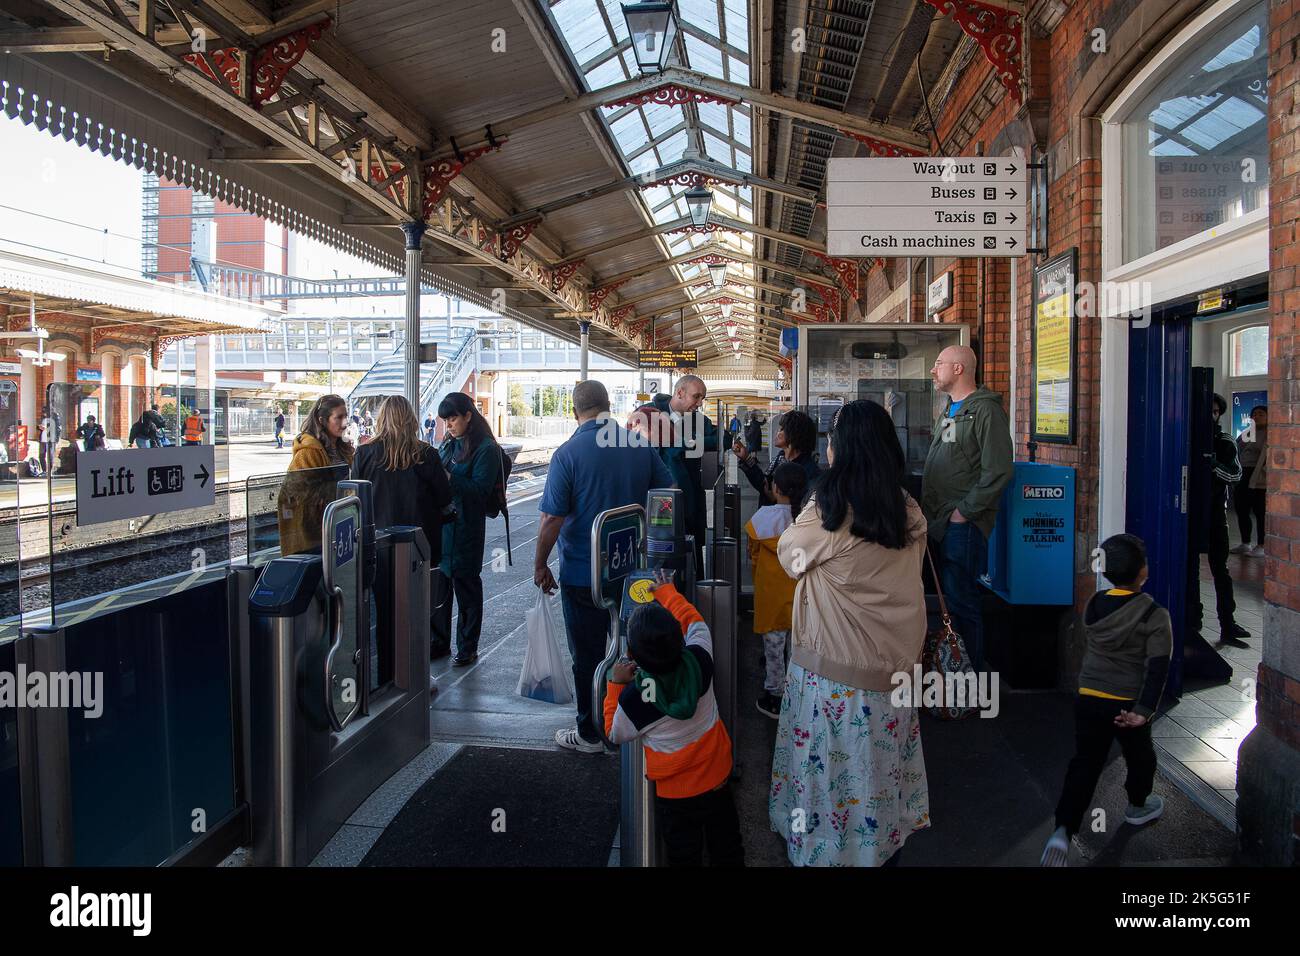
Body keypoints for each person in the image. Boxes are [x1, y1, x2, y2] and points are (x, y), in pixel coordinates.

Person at [770, 400, 929, 867]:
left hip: (833, 684)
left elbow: (789, 557)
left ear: (843, 447)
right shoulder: (906, 507)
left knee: (828, 795)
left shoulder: (831, 510)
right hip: (894, 679)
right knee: (878, 794)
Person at [536, 380, 672, 754]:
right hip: (633, 574)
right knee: (631, 648)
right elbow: (667, 494)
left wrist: (540, 564)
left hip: (584, 575)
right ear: (609, 405)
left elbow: (551, 519)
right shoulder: (638, 446)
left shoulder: (568, 453)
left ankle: (591, 732)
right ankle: (632, 722)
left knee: (587, 654)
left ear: (574, 411)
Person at [1041, 533, 1171, 867]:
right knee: (1141, 758)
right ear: (1142, 571)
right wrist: (1143, 712)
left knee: (1085, 763)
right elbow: (1157, 669)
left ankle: (1063, 830)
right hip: (1126, 704)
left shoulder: (1095, 605)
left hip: (1089, 698)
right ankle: (1138, 805)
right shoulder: (1154, 615)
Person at [604, 568, 744, 866]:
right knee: (727, 845)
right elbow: (695, 622)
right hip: (717, 777)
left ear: (634, 656)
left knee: (683, 855)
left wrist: (615, 685)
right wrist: (668, 593)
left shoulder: (637, 699)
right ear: (678, 640)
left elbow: (614, 733)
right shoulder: (699, 661)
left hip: (676, 795)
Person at [921, 345, 1014, 672]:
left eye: (939, 363)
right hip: (941, 523)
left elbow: (999, 470)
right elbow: (947, 455)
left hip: (962, 525)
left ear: (959, 369)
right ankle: (954, 672)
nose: (934, 371)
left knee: (962, 604)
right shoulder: (952, 409)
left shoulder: (985, 412)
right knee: (951, 601)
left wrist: (964, 512)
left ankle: (968, 679)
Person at [351, 395, 453, 649]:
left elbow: (352, 501)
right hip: (419, 545)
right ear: (410, 419)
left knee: (383, 611)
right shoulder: (426, 454)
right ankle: (416, 674)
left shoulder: (363, 454)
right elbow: (445, 499)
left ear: (381, 419)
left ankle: (387, 673)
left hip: (377, 547)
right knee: (418, 610)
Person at [434, 391, 500, 667]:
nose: (449, 424)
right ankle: (438, 644)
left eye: (453, 419)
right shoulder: (449, 444)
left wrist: (450, 479)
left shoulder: (486, 449)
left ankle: (467, 647)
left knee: (467, 590)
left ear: (468, 416)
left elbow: (481, 491)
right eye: (446, 420)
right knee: (440, 591)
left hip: (468, 530)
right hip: (444, 529)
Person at [746, 462, 808, 718]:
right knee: (796, 650)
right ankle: (798, 695)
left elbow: (754, 554)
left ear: (776, 488)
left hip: (771, 597)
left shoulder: (762, 519)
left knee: (773, 652)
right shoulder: (806, 519)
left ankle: (774, 696)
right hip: (798, 599)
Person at [1190, 393, 1249, 648]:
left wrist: (1212, 465)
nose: (1212, 416)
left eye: (1216, 412)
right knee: (1189, 569)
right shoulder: (1186, 436)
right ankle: (1193, 618)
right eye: (1209, 411)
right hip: (1191, 512)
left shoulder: (1224, 441)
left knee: (1220, 571)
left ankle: (1228, 622)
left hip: (1215, 514)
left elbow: (1235, 475)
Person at [651, 374, 718, 573]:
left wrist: (684, 444)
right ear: (680, 393)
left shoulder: (699, 420)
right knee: (662, 563)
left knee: (692, 561)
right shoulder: (649, 414)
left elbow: (722, 438)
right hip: (659, 505)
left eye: (702, 398)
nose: (699, 403)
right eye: (696, 397)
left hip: (691, 502)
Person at [278, 394, 354, 557]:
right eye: (338, 417)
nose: (344, 423)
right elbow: (292, 494)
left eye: (346, 417)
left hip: (340, 528)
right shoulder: (307, 453)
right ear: (322, 420)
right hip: (316, 538)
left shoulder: (344, 448)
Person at [733, 409, 820, 504]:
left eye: (782, 429)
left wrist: (777, 499)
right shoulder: (781, 457)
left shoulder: (808, 471)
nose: (777, 432)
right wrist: (746, 458)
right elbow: (764, 483)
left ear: (794, 434)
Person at [1232, 405, 1267, 558]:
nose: (1256, 417)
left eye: (1261, 414)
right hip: (1243, 473)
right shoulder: (1247, 433)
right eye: (1254, 414)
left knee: (1260, 512)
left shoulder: (1269, 433)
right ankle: (1245, 543)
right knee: (1242, 508)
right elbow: (1235, 447)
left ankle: (1262, 545)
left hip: (1259, 476)